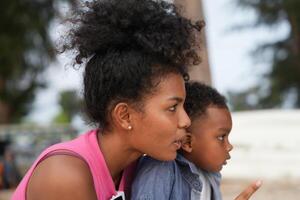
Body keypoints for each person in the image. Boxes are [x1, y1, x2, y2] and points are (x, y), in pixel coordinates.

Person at [12, 0, 203, 199]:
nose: (186, 121)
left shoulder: (141, 171)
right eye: (172, 108)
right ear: (125, 116)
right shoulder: (64, 175)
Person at [131, 82, 262, 200]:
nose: (229, 146)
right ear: (188, 142)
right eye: (221, 137)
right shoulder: (160, 170)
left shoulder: (210, 176)